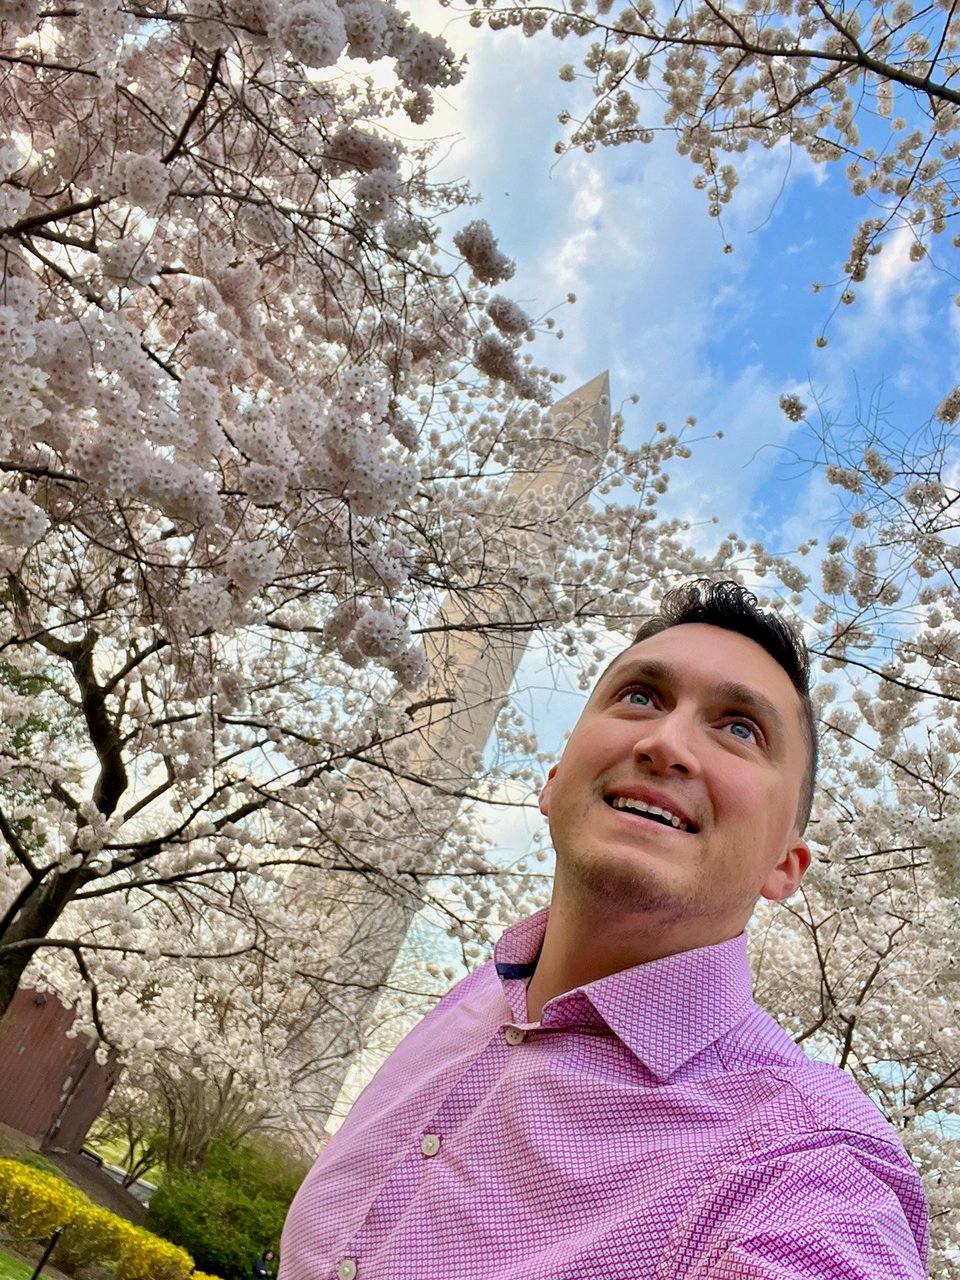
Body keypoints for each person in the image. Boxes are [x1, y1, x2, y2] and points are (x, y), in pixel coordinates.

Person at [280, 580, 929, 1280]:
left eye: (740, 728)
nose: (665, 743)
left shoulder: (800, 1166)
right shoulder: (475, 999)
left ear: (785, 866)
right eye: (642, 696)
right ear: (554, 785)